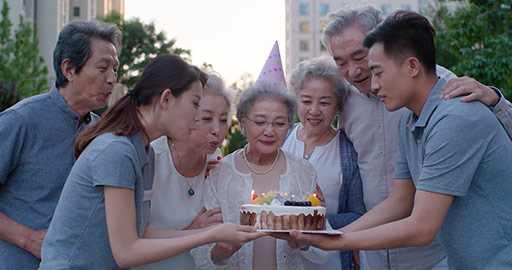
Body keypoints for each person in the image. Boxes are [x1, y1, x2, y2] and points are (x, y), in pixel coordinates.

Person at [279, 10, 512, 270]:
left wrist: (335, 242)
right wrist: (331, 235)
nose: (365, 79)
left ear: (411, 65)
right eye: (341, 62)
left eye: (373, 68)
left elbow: (422, 227)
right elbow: (399, 202)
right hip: (419, 256)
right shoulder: (406, 118)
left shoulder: (453, 103)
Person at [39, 54, 267, 269]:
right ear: (166, 99)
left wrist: (214, 232)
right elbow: (126, 251)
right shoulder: (118, 151)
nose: (197, 117)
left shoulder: (142, 152)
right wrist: (211, 234)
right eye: (196, 105)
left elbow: (139, 232)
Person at [0, 20, 120, 269]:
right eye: (102, 68)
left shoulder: (100, 133)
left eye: (115, 69)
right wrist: (29, 239)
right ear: (68, 69)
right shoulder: (21, 120)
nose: (111, 79)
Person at [191, 82, 333, 269]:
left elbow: (324, 250)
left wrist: (305, 242)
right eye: (259, 122)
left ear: (289, 125)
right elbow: (200, 252)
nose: (269, 131)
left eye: (280, 123)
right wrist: (220, 252)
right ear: (243, 122)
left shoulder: (303, 171)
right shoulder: (219, 172)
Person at [135, 71, 232, 270]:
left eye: (223, 120)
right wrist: (194, 230)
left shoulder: (216, 159)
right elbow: (130, 237)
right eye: (206, 118)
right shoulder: (150, 157)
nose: (217, 129)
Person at [282, 57, 365, 270]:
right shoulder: (281, 139)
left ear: (337, 106)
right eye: (307, 100)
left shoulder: (348, 152)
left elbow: (358, 216)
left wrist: (319, 217)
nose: (314, 110)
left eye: (325, 102)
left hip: (329, 262)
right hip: (281, 260)